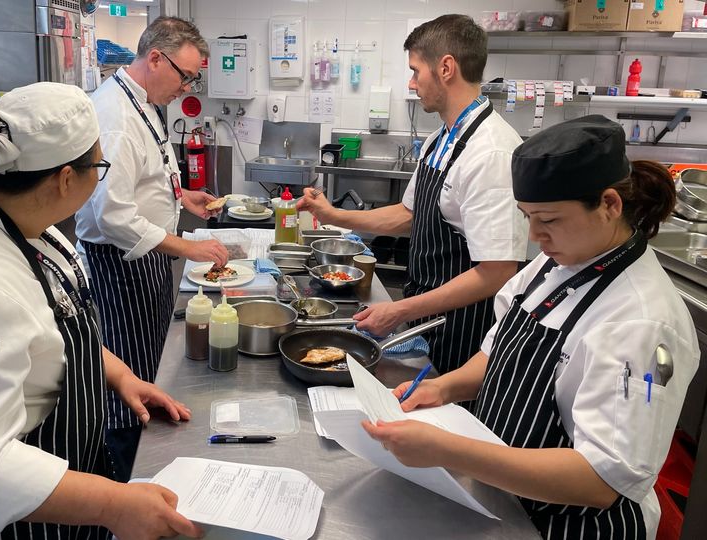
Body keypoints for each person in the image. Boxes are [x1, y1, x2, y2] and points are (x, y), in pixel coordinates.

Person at [0, 82, 202, 540]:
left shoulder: (32, 229)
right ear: (67, 178)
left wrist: (120, 375)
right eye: (98, 167)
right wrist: (112, 504)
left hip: (46, 495)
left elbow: (53, 325)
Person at [364, 116, 699, 539]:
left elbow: (600, 481)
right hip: (505, 500)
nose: (536, 235)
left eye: (550, 219)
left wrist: (449, 451)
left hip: (568, 526)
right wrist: (444, 387)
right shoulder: (555, 261)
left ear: (610, 205)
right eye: (528, 217)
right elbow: (499, 353)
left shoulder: (642, 321)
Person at [298, 15, 526, 377]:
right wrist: (331, 216)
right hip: (429, 317)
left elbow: (497, 272)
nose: (412, 82)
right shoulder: (440, 141)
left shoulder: (491, 152)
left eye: (416, 70)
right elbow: (408, 215)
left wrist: (403, 311)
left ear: (446, 68)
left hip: (466, 331)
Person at [75, 16, 227, 482]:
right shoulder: (115, 115)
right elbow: (112, 215)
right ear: (155, 58)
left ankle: (148, 464)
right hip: (121, 267)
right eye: (184, 76)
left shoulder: (142, 102)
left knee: (151, 365)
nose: (187, 87)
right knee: (130, 380)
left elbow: (144, 177)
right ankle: (125, 479)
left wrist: (182, 198)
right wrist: (186, 246)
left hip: (147, 261)